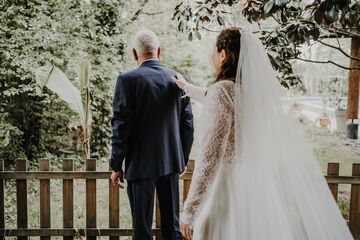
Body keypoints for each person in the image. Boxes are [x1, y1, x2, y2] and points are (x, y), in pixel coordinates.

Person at [172, 27, 353, 240]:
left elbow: (210, 156)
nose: (211, 55)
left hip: (226, 191)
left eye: (213, 50)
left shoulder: (222, 91)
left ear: (223, 54)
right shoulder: (256, 94)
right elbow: (213, 95)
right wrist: (187, 87)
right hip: (258, 189)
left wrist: (190, 210)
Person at [110, 29, 194, 240]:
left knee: (142, 229)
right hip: (171, 163)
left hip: (140, 165)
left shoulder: (127, 80)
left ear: (134, 53)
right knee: (172, 227)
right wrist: (182, 158)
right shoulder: (177, 79)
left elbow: (121, 126)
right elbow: (188, 125)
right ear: (159, 51)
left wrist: (115, 165)